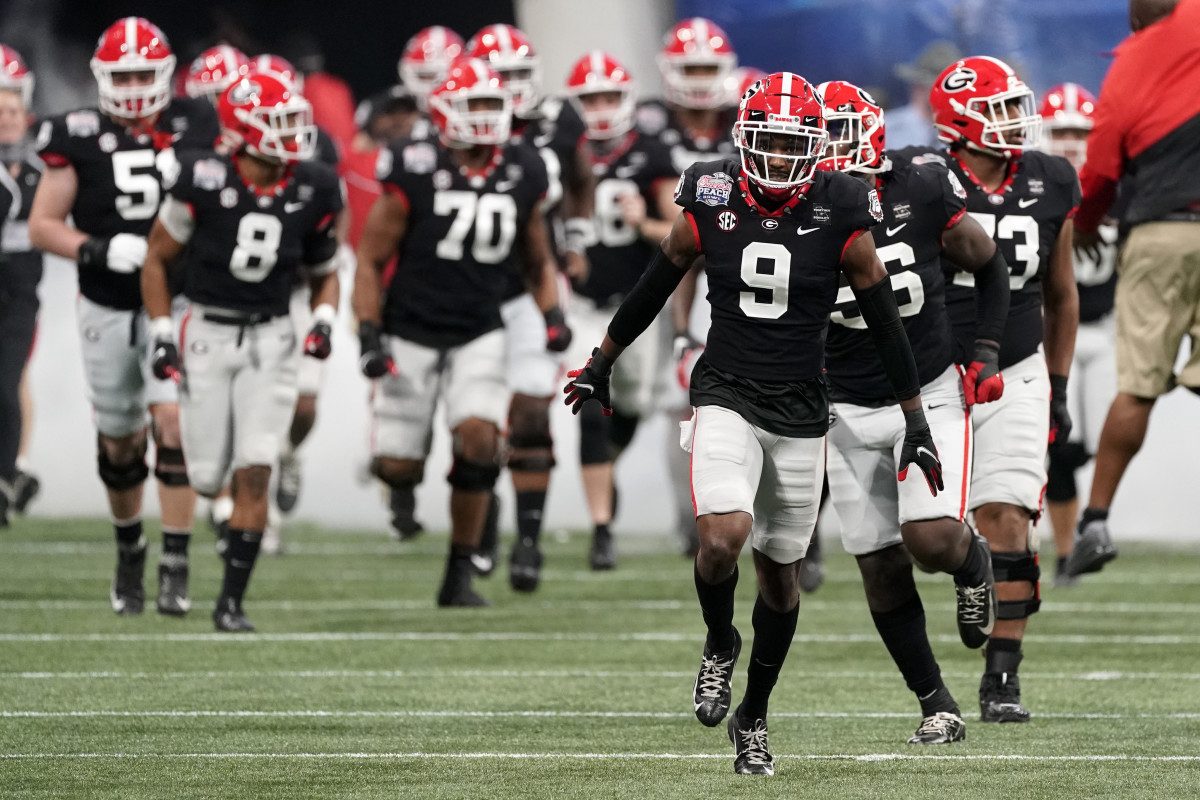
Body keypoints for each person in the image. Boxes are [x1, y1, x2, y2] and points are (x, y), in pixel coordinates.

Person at [564, 72, 943, 776]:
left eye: (788, 145)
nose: (773, 159)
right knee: (722, 536)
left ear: (815, 148)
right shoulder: (711, 192)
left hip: (801, 407)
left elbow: (886, 321)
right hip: (725, 390)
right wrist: (601, 358)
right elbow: (659, 277)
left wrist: (915, 416)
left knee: (779, 578)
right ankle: (718, 641)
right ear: (745, 138)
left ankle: (755, 715)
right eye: (763, 143)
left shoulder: (842, 205)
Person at [818, 80, 1007, 743]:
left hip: (925, 389)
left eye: (844, 131)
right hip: (842, 402)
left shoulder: (921, 185)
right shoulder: (798, 207)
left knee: (928, 542)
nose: (833, 148)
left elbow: (989, 263)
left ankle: (971, 561)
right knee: (878, 561)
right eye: (825, 133)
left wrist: (982, 350)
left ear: (871, 131)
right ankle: (935, 703)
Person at [353, 58, 561, 607]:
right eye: (475, 106)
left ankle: (459, 571)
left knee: (479, 438)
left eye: (493, 105)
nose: (486, 117)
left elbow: (537, 259)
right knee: (399, 469)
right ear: (444, 112)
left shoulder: (524, 167)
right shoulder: (413, 165)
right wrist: (369, 332)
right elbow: (370, 260)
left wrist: (552, 316)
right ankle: (443, 481)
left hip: (480, 328)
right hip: (412, 327)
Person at [141, 71, 341, 631]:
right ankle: (192, 540)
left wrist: (324, 320)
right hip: (206, 329)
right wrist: (161, 330)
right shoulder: (201, 177)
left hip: (273, 336)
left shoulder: (317, 185)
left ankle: (231, 602)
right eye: (278, 122)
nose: (292, 134)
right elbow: (157, 259)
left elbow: (327, 272)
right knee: (207, 477)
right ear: (241, 131)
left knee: (256, 468)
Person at [29, 17, 216, 616]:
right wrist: (95, 247)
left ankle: (176, 561)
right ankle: (131, 546)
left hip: (179, 299)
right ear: (102, 78)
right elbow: (42, 225)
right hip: (107, 300)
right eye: (123, 74)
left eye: (144, 73)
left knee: (174, 423)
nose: (135, 86)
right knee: (120, 442)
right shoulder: (75, 132)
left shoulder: (197, 122)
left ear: (166, 75)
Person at [913, 55, 1079, 723]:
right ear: (959, 119)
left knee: (1008, 514)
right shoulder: (922, 180)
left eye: (1016, 105)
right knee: (935, 534)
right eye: (1001, 108)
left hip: (1015, 367)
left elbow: (1062, 294)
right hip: (935, 370)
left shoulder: (1051, 178)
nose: (1016, 120)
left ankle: (1002, 679)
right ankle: (970, 570)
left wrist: (1059, 385)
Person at [1066, 0, 1200, 578]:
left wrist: (1088, 223)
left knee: (1139, 387)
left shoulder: (1128, 65)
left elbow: (1098, 172)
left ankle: (1095, 519)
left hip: (1159, 232)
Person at [465, 24, 585, 588]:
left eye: (519, 76)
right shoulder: (449, 128)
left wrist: (578, 237)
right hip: (474, 289)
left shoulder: (558, 123)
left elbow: (579, 175)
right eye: (500, 77)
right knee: (480, 420)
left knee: (534, 411)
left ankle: (529, 541)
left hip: (534, 283)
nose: (513, 89)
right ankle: (482, 518)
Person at [562, 51, 677, 570]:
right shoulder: (561, 152)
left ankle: (602, 476)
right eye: (591, 98)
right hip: (584, 306)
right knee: (588, 406)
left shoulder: (651, 153)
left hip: (638, 308)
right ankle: (602, 529)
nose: (602, 108)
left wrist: (642, 225)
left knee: (630, 409)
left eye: (610, 96)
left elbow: (680, 232)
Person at [641, 18, 740, 559]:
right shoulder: (654, 132)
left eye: (708, 67)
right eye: (692, 67)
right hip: (678, 281)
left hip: (740, 274)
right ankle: (689, 519)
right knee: (681, 405)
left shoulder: (747, 122)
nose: (701, 79)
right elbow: (675, 225)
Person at [1037, 83, 1118, 587]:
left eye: (1079, 131)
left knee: (1100, 440)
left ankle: (1089, 529)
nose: (1070, 141)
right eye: (1061, 130)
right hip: (1052, 332)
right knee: (1059, 446)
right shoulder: (1033, 188)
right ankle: (1067, 554)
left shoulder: (1115, 184)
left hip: (1106, 331)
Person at [0, 44, 41, 523]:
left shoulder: (40, 168)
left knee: (8, 385)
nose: (7, 119)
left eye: (13, 109)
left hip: (19, 297)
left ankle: (9, 473)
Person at [886, 41, 962, 150]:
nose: (948, 96)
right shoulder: (886, 131)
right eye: (938, 88)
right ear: (918, 86)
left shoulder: (964, 136)